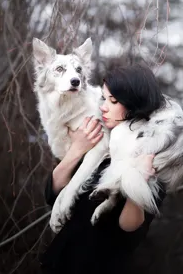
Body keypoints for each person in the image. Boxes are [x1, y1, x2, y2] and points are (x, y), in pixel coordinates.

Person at [39, 64, 167, 274]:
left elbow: (129, 228)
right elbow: (53, 195)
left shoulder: (152, 156)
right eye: (104, 99)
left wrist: (139, 179)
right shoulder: (102, 142)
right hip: (57, 262)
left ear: (135, 106)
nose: (103, 107)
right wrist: (77, 149)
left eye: (113, 101)